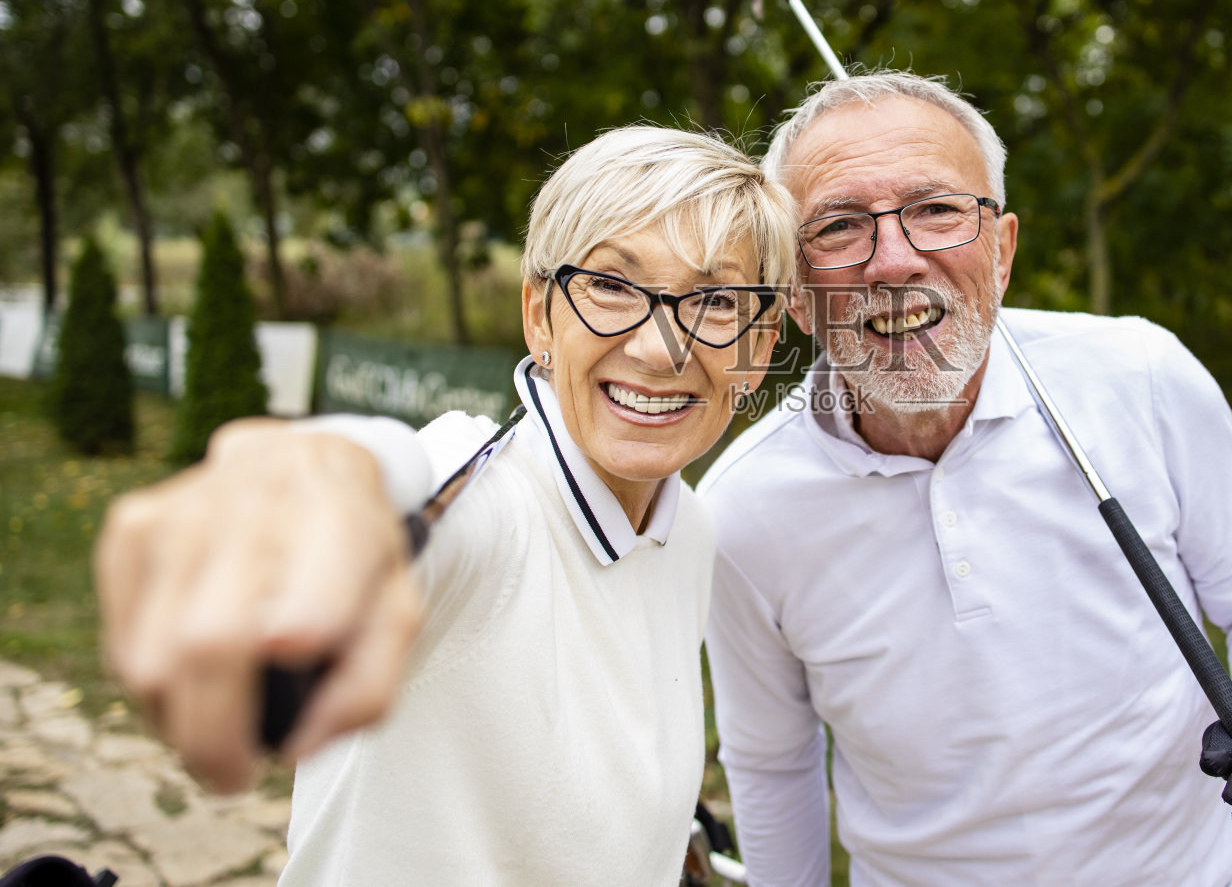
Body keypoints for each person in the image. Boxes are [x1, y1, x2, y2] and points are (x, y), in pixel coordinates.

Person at [699, 72, 1232, 886]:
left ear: (1004, 248)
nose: (896, 261)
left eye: (936, 209)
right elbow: (772, 762)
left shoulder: (1142, 376)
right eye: (838, 226)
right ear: (795, 294)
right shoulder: (740, 507)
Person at [95, 126, 794, 885]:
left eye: (716, 299)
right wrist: (301, 508)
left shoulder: (688, 527)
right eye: (613, 285)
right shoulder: (480, 496)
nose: (662, 347)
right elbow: (395, 492)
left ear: (758, 345)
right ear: (539, 317)